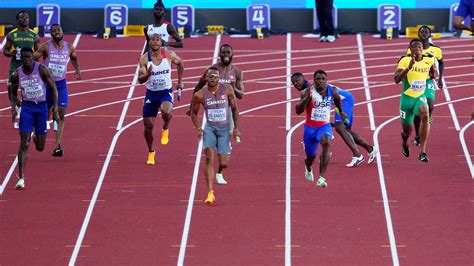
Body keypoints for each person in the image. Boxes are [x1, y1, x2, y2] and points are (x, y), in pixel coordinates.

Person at [291, 72, 378, 167]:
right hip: (346, 98)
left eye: (297, 81)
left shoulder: (310, 88)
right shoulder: (308, 89)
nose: (295, 84)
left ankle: (358, 156)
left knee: (340, 128)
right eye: (293, 82)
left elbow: (319, 109)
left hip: (344, 100)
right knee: (346, 131)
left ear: (303, 79)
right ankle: (370, 149)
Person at [187, 44, 244, 184]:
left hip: (227, 111)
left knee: (224, 160)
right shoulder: (212, 70)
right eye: (223, 52)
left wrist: (230, 87)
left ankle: (219, 171)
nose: (225, 55)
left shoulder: (237, 72)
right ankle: (211, 158)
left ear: (232, 54)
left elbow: (241, 94)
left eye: (228, 52)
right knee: (211, 149)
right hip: (211, 109)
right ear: (219, 54)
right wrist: (191, 106)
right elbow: (198, 87)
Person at [10, 47, 59, 189]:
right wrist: (14, 107)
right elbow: (13, 93)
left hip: (41, 108)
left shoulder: (42, 70)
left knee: (40, 147)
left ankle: (36, 134)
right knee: (24, 143)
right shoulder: (16, 74)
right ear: (21, 59)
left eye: (29, 58)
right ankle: (21, 178)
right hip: (27, 108)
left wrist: (54, 108)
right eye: (24, 58)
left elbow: (53, 88)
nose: (27, 61)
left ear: (33, 58)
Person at [190, 66, 240, 205]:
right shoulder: (199, 95)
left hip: (224, 128)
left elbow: (235, 109)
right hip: (210, 128)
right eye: (210, 76)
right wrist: (198, 127)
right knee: (208, 157)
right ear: (206, 78)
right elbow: (193, 113)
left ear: (219, 78)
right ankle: (210, 192)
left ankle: (219, 170)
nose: (212, 79)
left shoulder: (228, 90)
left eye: (215, 77)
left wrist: (236, 128)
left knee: (223, 162)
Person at [33, 24, 81, 157]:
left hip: (61, 85)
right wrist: (37, 72)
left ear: (62, 31)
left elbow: (74, 57)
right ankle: (37, 132)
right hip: (46, 85)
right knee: (46, 114)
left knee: (60, 115)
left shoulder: (69, 47)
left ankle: (57, 146)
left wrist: (77, 69)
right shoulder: (46, 46)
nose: (56, 32)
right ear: (51, 34)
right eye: (53, 31)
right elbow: (32, 59)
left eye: (58, 30)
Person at [295, 70, 347, 188]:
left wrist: (342, 112)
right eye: (318, 79)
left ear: (326, 80)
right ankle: (308, 167)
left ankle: (322, 178)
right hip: (309, 129)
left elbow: (338, 100)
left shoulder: (332, 91)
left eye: (323, 79)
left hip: (324, 126)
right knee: (311, 157)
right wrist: (308, 98)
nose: (321, 81)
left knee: (326, 143)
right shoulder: (306, 92)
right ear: (314, 80)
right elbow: (298, 111)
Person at [137, 34, 183, 165]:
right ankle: (151, 151)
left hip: (165, 92)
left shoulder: (169, 54)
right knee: (148, 127)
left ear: (161, 42)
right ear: (149, 43)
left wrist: (180, 81)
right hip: (151, 94)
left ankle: (165, 127)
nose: (155, 42)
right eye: (152, 40)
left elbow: (180, 63)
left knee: (166, 112)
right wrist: (147, 74)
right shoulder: (144, 59)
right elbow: (140, 80)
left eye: (157, 40)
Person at [394, 39, 436, 162]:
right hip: (407, 100)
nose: (417, 50)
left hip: (419, 97)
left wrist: (433, 75)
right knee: (407, 131)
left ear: (423, 49)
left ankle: (422, 152)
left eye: (419, 47)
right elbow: (396, 80)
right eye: (414, 48)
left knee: (425, 113)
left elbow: (432, 71)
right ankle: (404, 143)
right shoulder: (404, 60)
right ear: (410, 50)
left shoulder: (429, 59)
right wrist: (408, 68)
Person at [406, 26, 444, 147]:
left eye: (426, 32)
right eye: (421, 32)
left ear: (430, 35)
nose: (423, 34)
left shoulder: (436, 50)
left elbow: (441, 62)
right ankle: (417, 135)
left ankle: (429, 115)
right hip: (417, 81)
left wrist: (440, 78)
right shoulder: (411, 49)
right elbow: (407, 63)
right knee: (418, 111)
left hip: (428, 82)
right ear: (418, 34)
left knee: (431, 106)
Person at [3, 11, 40, 128]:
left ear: (29, 20)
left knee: (30, 94)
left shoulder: (34, 35)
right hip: (15, 67)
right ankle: (19, 104)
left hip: (29, 69)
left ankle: (28, 117)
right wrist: (11, 53)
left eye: (26, 18)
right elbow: (5, 51)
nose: (24, 19)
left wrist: (36, 66)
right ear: (17, 20)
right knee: (11, 92)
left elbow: (38, 53)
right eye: (22, 18)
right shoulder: (11, 35)